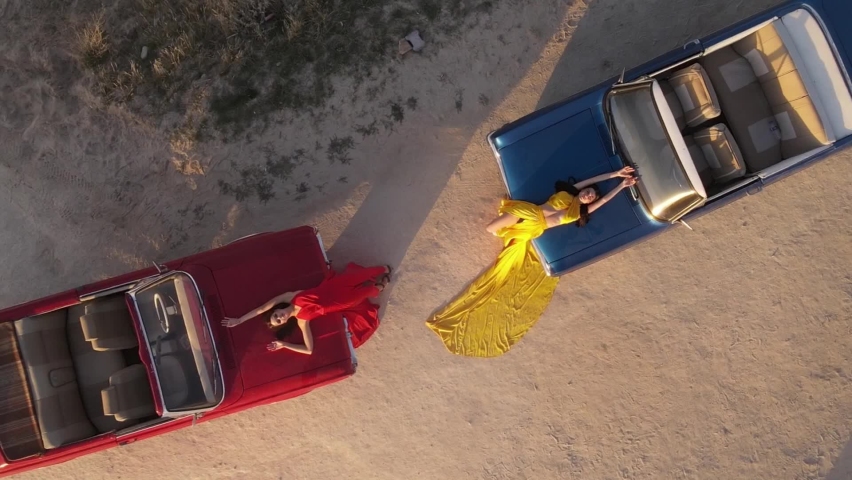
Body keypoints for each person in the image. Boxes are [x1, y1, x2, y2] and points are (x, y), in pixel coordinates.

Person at [426, 167, 639, 358]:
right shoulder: (571, 190)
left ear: (590, 202)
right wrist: (616, 174)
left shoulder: (580, 212)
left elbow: (604, 200)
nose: (588, 194)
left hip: (533, 228)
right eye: (588, 191)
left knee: (499, 251)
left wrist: (621, 186)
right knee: (490, 229)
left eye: (591, 196)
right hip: (529, 212)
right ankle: (508, 226)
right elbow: (593, 179)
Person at [222, 263, 392, 355]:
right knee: (370, 291)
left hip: (335, 286)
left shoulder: (289, 297)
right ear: (285, 321)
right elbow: (309, 350)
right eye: (279, 320)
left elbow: (261, 308)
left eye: (276, 315)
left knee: (363, 274)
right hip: (342, 301)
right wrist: (284, 344)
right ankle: (381, 285)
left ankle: (384, 269)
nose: (280, 317)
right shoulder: (303, 320)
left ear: (277, 309)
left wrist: (239, 320)